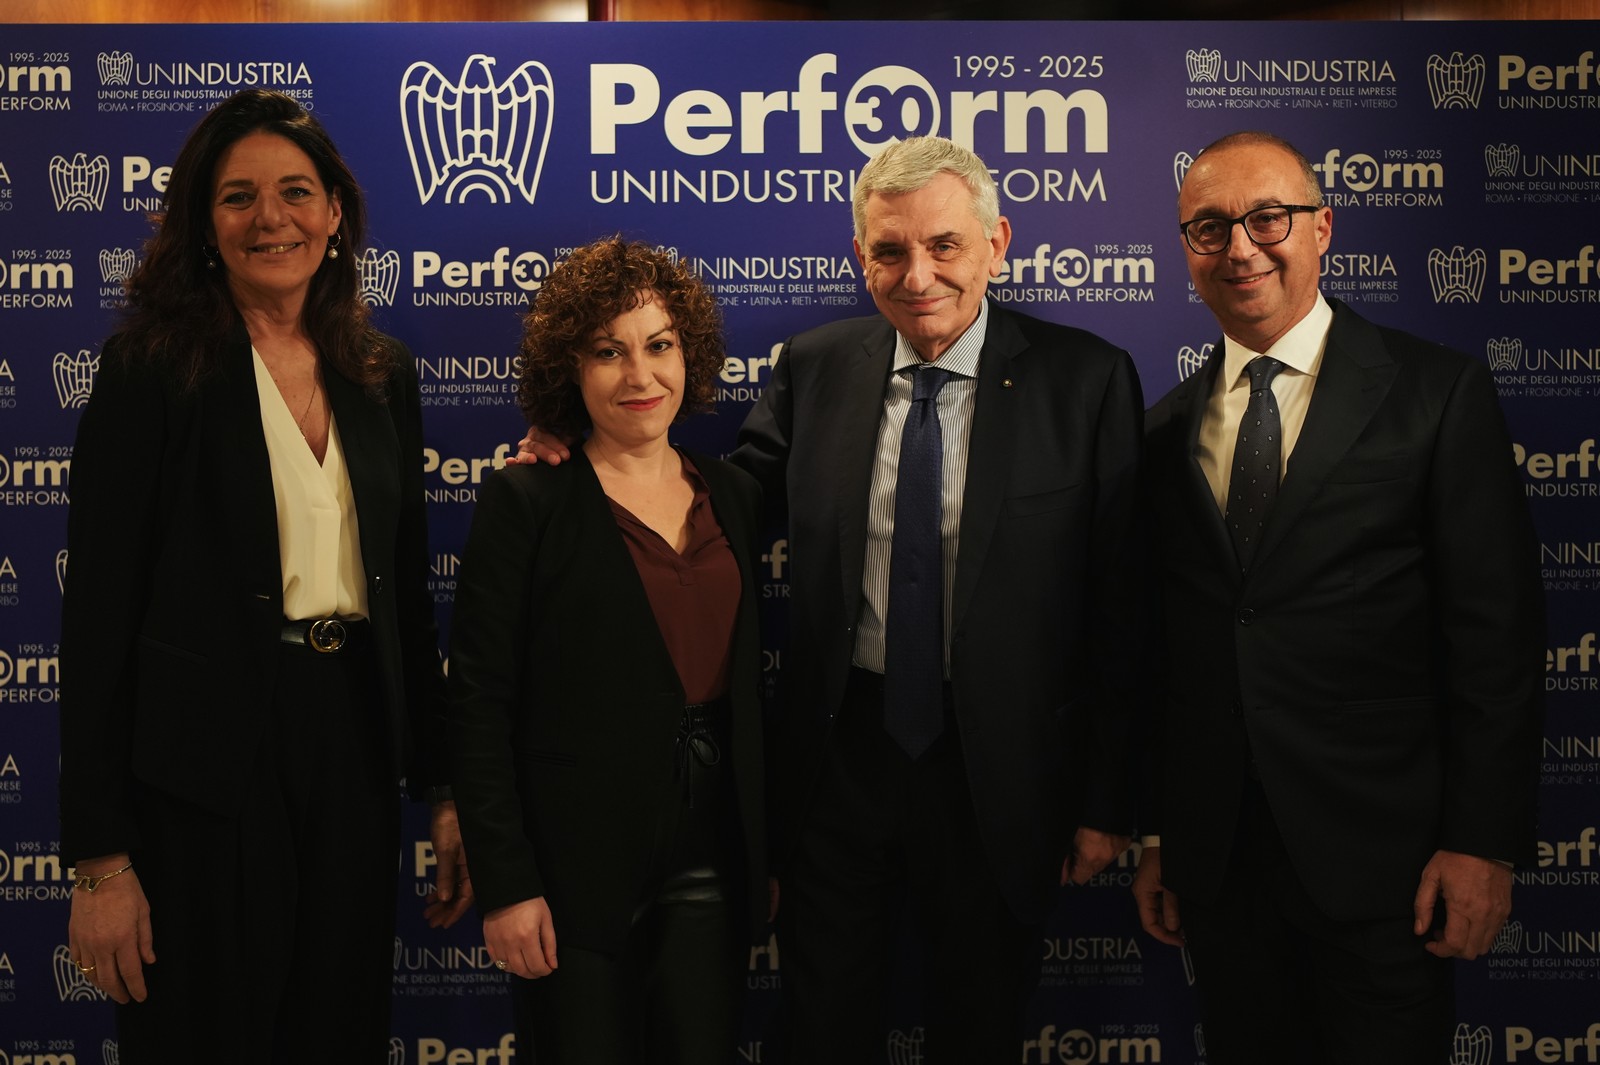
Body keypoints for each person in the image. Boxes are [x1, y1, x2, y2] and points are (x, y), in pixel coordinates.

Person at [519, 136, 1145, 1063]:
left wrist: (1106, 800)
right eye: (890, 250)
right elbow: (717, 508)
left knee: (982, 1029)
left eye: (944, 244)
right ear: (861, 256)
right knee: (823, 1027)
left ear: (997, 243)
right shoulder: (815, 366)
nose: (918, 275)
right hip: (838, 762)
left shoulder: (1086, 380)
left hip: (1004, 778)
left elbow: (1121, 607)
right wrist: (582, 453)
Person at [59, 89, 468, 1063]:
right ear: (204, 225)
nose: (270, 217)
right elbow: (99, 622)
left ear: (335, 213)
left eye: (295, 191)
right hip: (199, 768)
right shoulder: (150, 370)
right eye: (238, 196)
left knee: (337, 1030)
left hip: (351, 744)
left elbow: (407, 602)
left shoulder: (380, 373)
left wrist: (446, 788)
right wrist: (100, 860)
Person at [1132, 130, 1544, 1064]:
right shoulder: (1161, 432)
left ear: (1322, 228)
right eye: (1209, 228)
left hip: (1392, 868)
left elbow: (1497, 640)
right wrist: (1162, 833)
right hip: (1222, 871)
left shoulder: (1437, 393)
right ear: (1186, 250)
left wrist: (1483, 843)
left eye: (1267, 218)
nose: (1240, 247)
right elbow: (1167, 652)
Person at [449, 237, 767, 1065]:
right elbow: (479, 704)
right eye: (607, 351)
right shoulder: (528, 496)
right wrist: (508, 885)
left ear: (689, 356)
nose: (639, 375)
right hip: (570, 872)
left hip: (712, 856)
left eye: (659, 345)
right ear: (571, 369)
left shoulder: (734, 493)